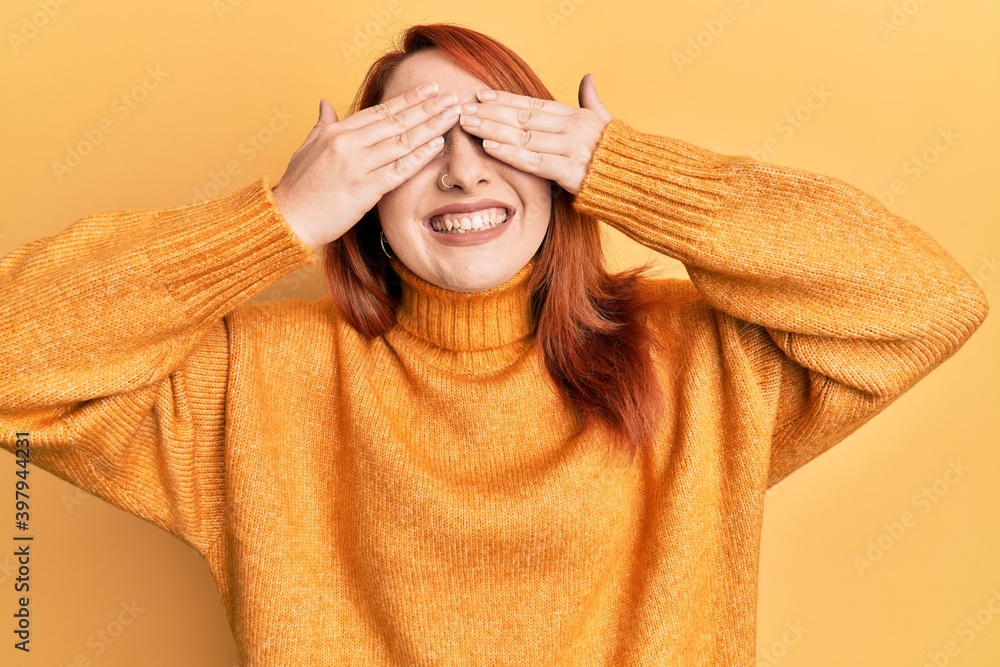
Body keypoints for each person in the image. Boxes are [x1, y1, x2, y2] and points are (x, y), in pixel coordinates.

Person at [0, 21, 989, 666]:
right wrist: (277, 223)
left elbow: (923, 300)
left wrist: (633, 170)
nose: (464, 173)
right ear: (362, 187)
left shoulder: (692, 361)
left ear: (563, 170)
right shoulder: (257, 380)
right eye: (415, 140)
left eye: (499, 133)